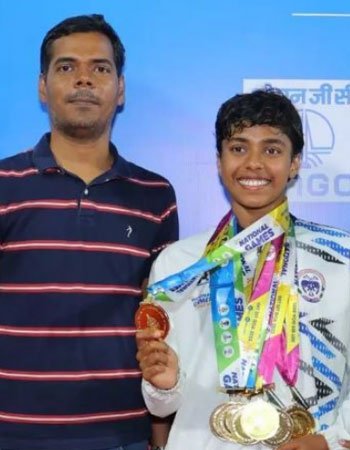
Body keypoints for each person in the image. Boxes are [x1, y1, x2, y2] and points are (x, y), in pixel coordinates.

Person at [0, 14, 178, 450]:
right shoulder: (5, 185)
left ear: (120, 90)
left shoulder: (156, 195)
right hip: (12, 429)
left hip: (122, 431)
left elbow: (163, 321)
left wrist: (161, 436)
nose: (83, 79)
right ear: (43, 86)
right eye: (66, 67)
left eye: (100, 68)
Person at [136, 88, 350, 450]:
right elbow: (162, 403)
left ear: (295, 162)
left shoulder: (340, 256)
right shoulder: (179, 263)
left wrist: (332, 440)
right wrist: (164, 382)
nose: (253, 163)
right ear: (219, 162)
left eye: (272, 149)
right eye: (238, 148)